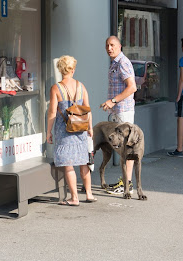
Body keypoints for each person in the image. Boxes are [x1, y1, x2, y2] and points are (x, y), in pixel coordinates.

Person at [47, 55, 96, 206]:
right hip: (80, 129)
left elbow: (52, 112)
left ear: (60, 70)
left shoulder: (56, 88)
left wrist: (48, 132)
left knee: (69, 165)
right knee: (84, 162)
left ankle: (74, 198)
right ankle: (89, 194)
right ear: (73, 69)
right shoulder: (81, 86)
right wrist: (90, 127)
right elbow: (88, 110)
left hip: (64, 131)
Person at [100, 36, 137, 194]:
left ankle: (127, 184)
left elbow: (132, 87)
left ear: (120, 46)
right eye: (107, 45)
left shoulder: (123, 62)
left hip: (123, 112)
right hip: (118, 112)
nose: (109, 48)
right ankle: (126, 182)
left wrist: (113, 101)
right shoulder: (115, 63)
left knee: (126, 149)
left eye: (113, 45)